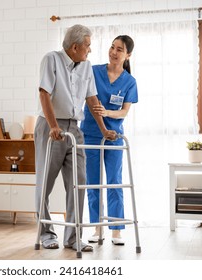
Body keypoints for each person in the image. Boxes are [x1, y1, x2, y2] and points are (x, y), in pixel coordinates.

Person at [35, 24, 117, 252]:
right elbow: (44, 94)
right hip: (50, 127)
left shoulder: (86, 66)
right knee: (45, 184)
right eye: (87, 46)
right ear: (75, 46)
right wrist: (52, 126)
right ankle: (46, 233)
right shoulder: (51, 60)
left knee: (78, 182)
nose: (90, 50)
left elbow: (92, 100)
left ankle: (72, 237)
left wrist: (104, 130)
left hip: (74, 128)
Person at [80, 35, 138, 245]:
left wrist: (106, 112)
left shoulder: (130, 82)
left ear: (128, 55)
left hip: (114, 137)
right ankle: (97, 229)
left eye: (119, 50)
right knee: (93, 182)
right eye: (112, 47)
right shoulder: (93, 71)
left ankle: (115, 230)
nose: (113, 52)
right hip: (90, 134)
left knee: (114, 182)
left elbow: (123, 112)